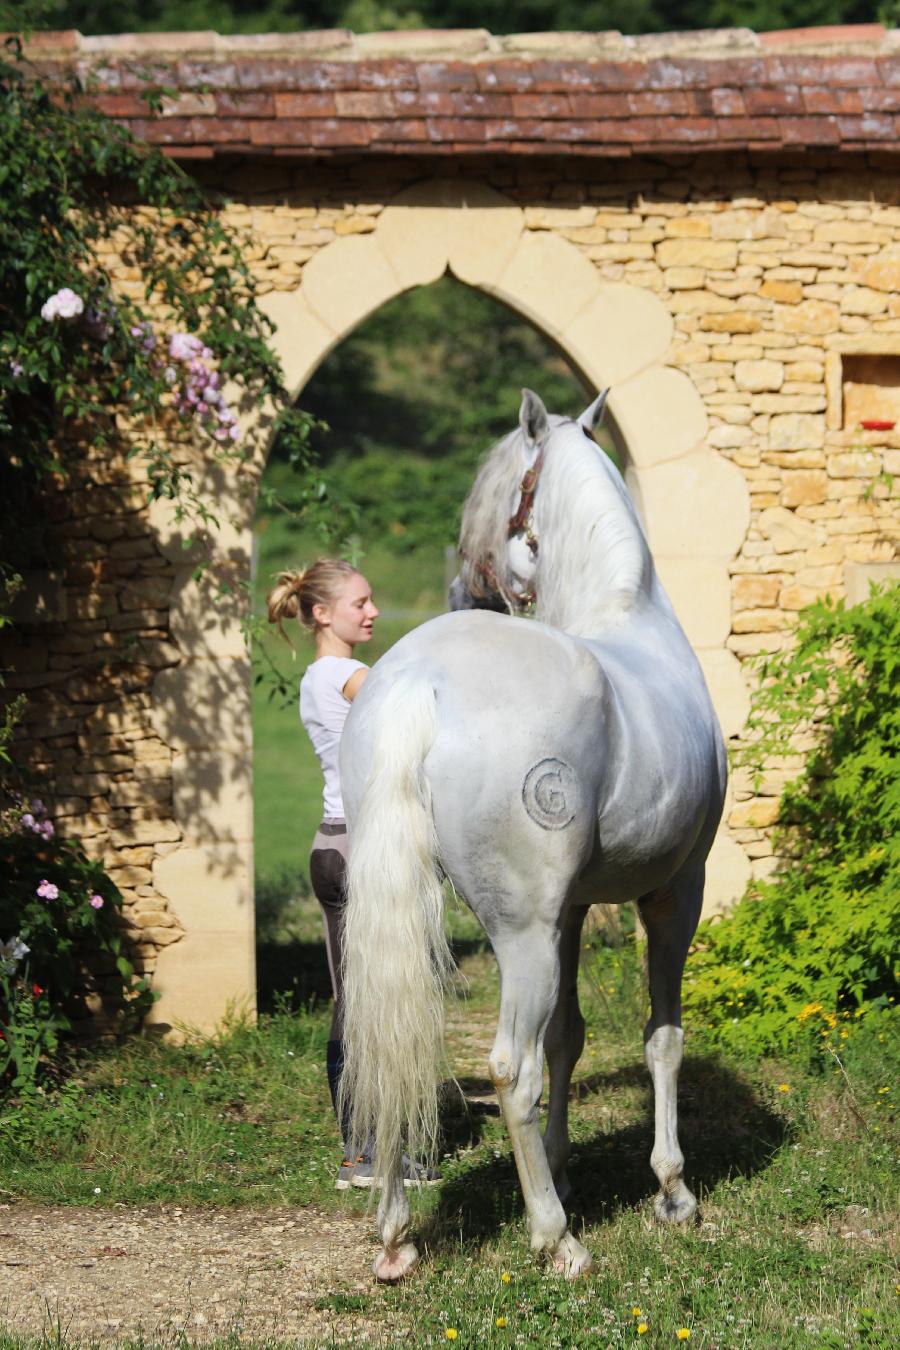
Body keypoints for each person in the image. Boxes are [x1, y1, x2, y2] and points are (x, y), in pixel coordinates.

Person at [266, 559, 440, 1191]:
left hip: (360, 848)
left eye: (371, 601)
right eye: (358, 603)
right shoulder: (338, 674)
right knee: (356, 1007)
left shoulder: (333, 674)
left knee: (374, 1000)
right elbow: (406, 695)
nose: (371, 612)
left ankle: (382, 1147)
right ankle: (360, 1154)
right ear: (321, 614)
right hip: (348, 851)